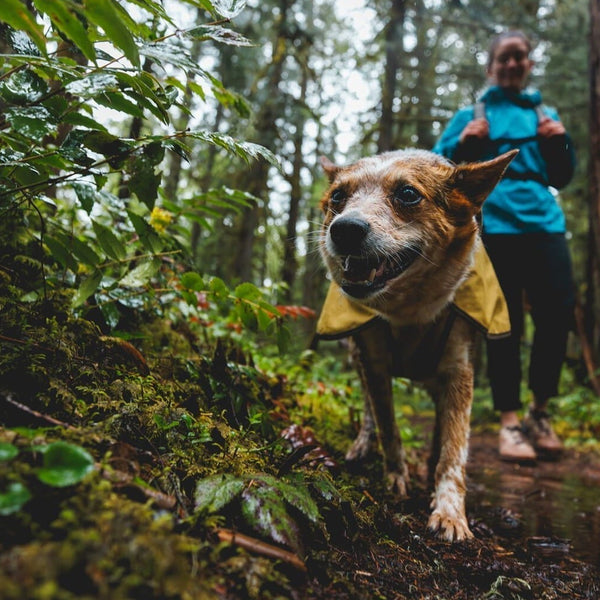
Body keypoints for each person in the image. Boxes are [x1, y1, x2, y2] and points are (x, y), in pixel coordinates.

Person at [433, 30, 576, 462]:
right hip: (494, 226)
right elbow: (438, 168)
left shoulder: (545, 115)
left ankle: (539, 412)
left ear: (529, 64)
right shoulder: (473, 114)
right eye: (505, 58)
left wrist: (560, 143)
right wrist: (464, 145)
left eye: (521, 57)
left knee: (557, 313)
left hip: (546, 223)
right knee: (505, 320)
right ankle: (510, 423)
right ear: (491, 67)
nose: (513, 64)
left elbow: (563, 177)